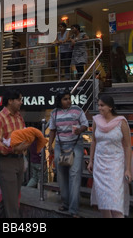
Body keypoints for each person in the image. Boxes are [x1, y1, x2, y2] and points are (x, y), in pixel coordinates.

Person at [87, 95, 133, 218]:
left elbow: (128, 146)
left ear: (110, 107)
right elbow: (94, 141)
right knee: (103, 201)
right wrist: (91, 161)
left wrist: (128, 169)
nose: (99, 108)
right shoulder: (96, 121)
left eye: (102, 105)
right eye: (98, 105)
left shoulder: (121, 122)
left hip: (116, 164)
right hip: (100, 164)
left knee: (115, 200)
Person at [0, 88, 29, 218]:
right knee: (12, 203)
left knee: (8, 199)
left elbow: (24, 135)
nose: (21, 103)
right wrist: (12, 149)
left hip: (18, 160)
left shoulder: (19, 117)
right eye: (19, 100)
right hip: (6, 161)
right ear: (10, 101)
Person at [48, 90, 88, 218]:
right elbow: (53, 130)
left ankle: (73, 209)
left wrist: (80, 130)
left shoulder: (77, 110)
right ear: (59, 101)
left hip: (76, 145)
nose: (68, 101)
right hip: (60, 146)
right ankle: (65, 202)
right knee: (61, 175)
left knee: (74, 175)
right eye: (65, 99)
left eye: (69, 98)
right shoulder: (54, 113)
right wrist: (49, 145)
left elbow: (85, 124)